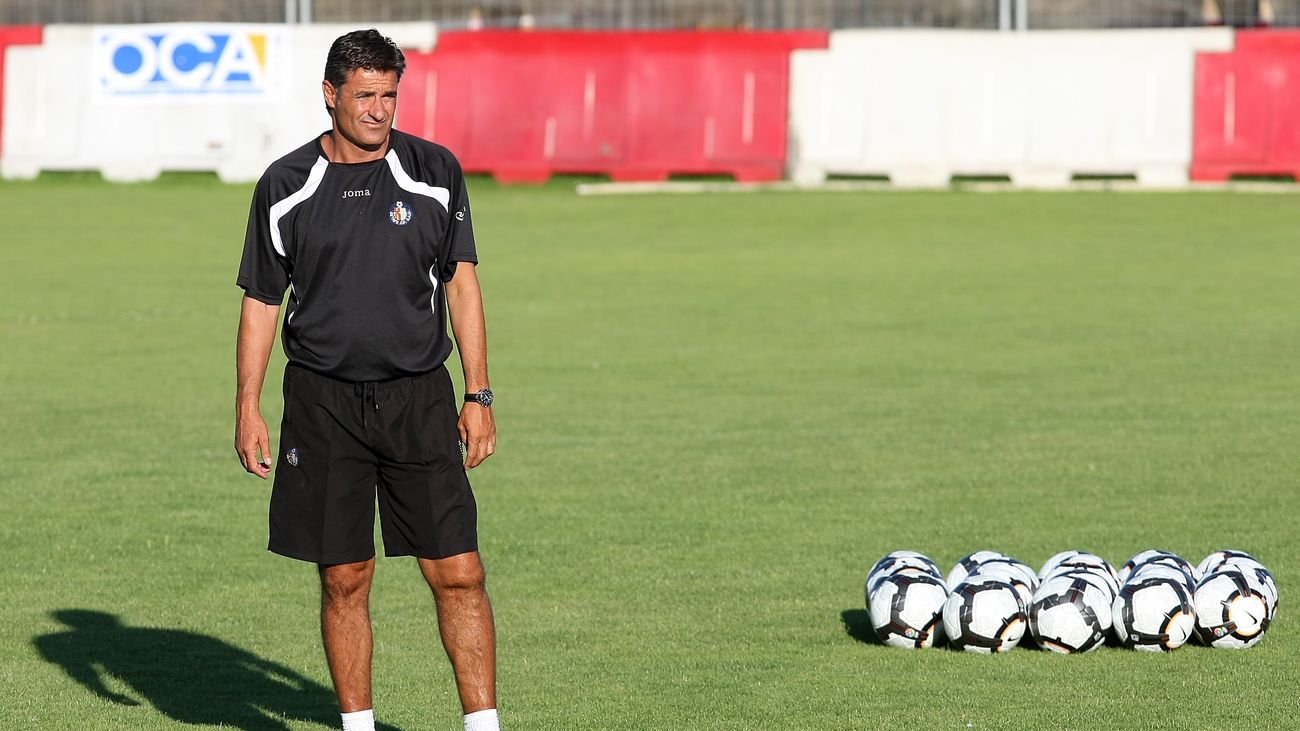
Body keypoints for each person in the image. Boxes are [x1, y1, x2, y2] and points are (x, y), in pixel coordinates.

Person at [233, 29, 500, 731]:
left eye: (389, 95)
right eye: (365, 96)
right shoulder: (285, 187)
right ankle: (357, 725)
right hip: (322, 404)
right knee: (344, 576)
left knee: (460, 571)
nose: (380, 110)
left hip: (418, 398)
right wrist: (247, 406)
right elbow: (262, 302)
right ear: (330, 96)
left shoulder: (436, 171)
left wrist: (478, 393)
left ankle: (483, 725)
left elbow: (463, 286)